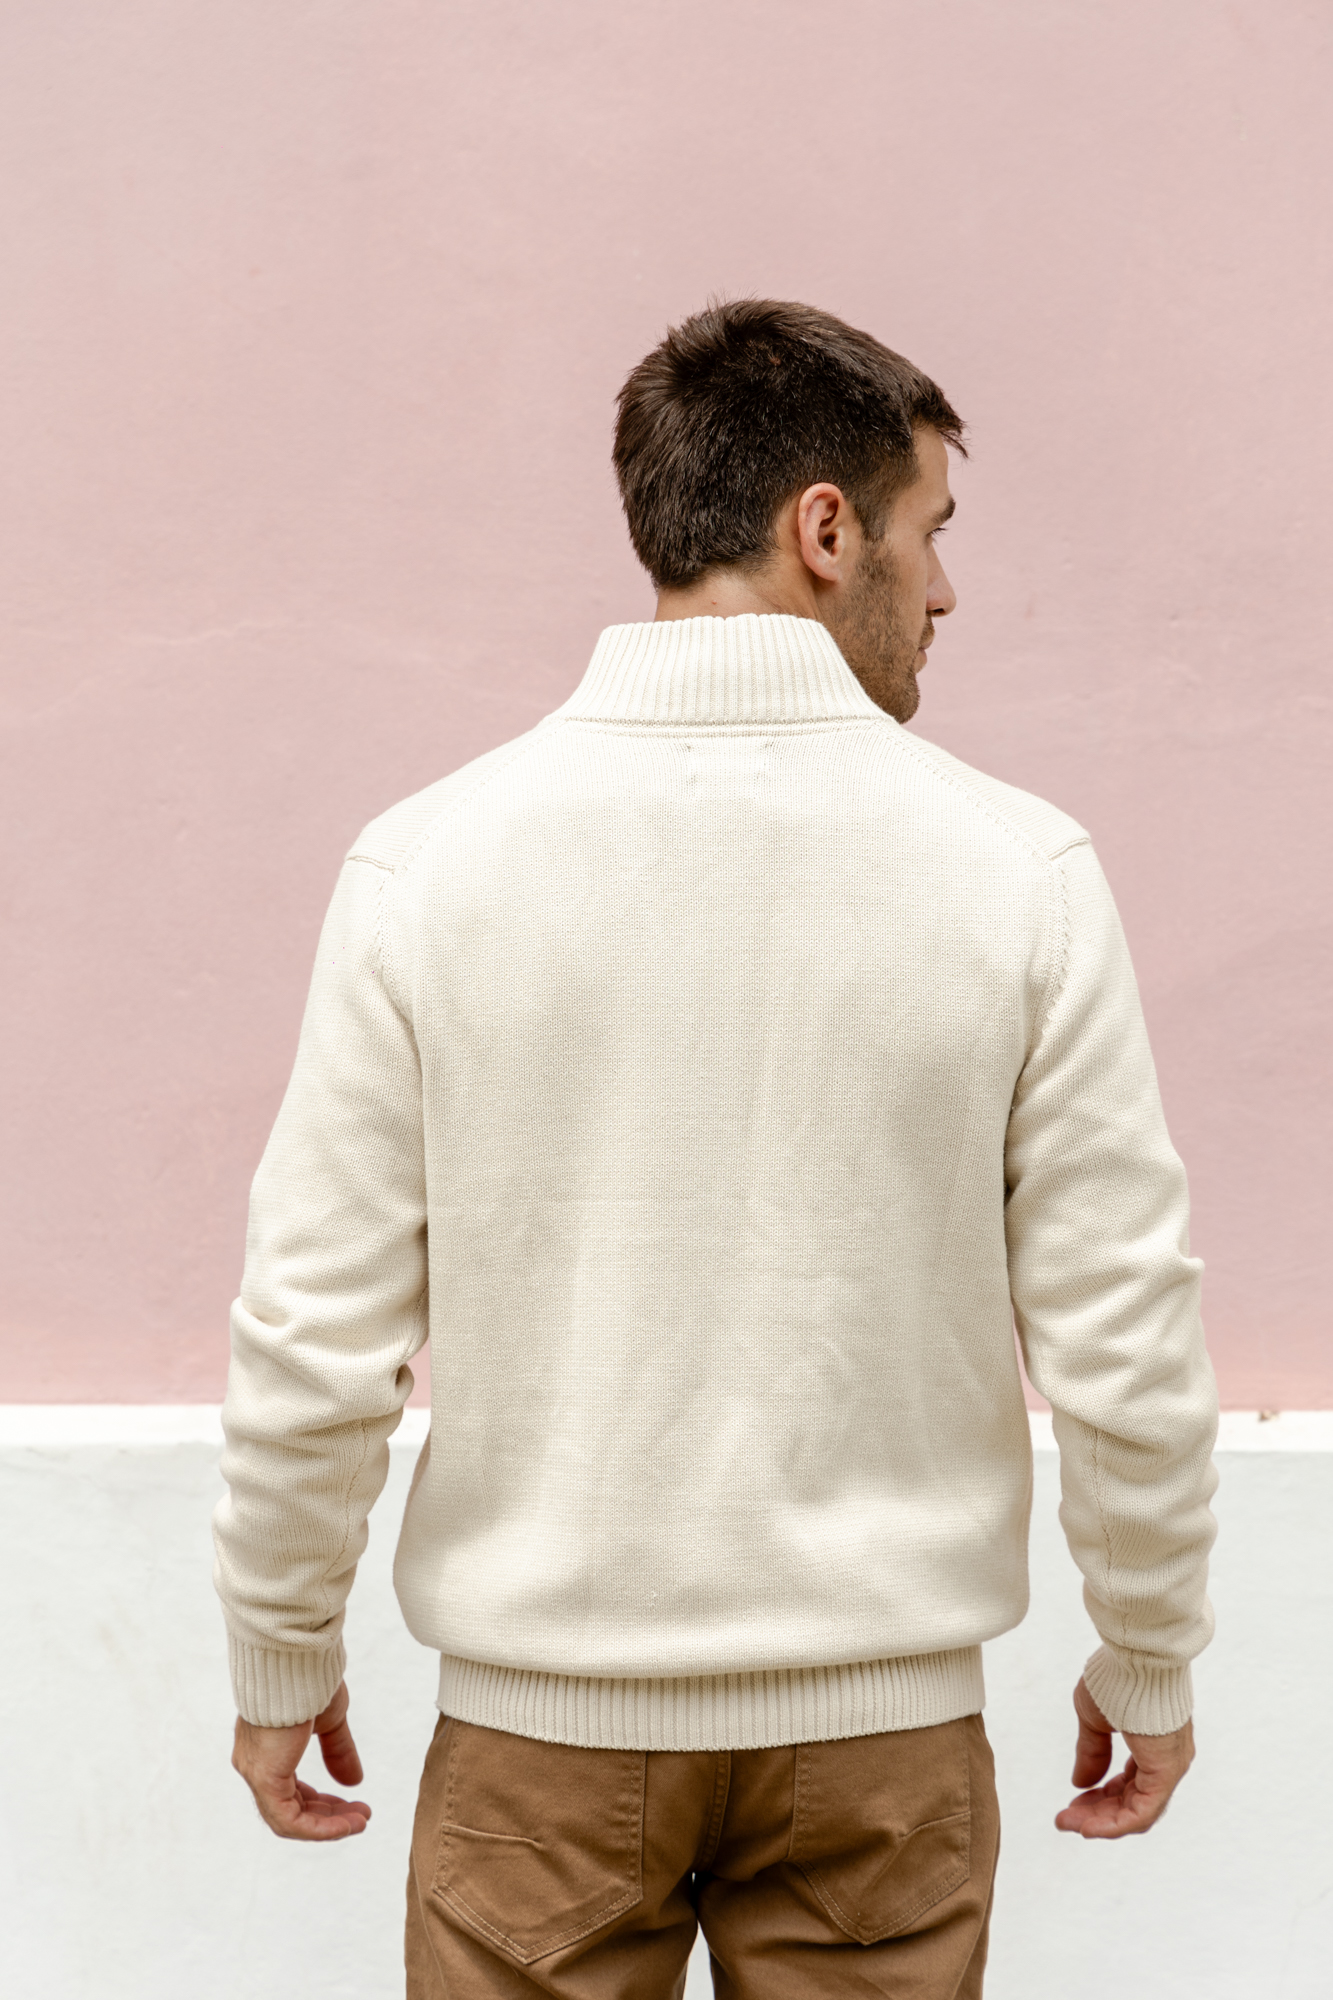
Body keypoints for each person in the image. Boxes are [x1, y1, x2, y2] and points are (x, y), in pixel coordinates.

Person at [215, 299, 1219, 1997]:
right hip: (881, 1751)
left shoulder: (426, 867)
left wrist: (279, 1642)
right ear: (824, 530)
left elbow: (314, 1331)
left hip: (539, 1746)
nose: (946, 590)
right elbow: (1121, 1329)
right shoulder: (1015, 872)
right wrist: (1146, 1653)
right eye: (929, 531)